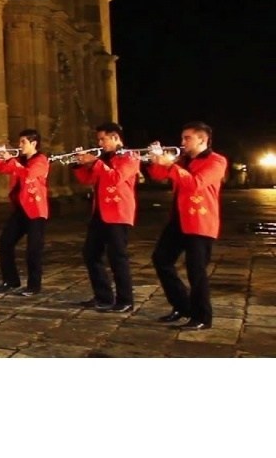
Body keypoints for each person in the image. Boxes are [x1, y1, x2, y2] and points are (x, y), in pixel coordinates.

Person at [148, 121, 228, 330]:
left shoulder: (217, 161)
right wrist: (156, 160)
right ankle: (182, 306)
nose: (182, 142)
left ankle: (202, 317)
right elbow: (157, 176)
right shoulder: (182, 159)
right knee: (161, 259)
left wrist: (170, 165)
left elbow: (195, 183)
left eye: (187, 138)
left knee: (196, 271)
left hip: (200, 222)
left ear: (202, 139)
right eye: (182, 138)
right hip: (178, 220)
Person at [71, 122, 139, 312]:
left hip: (118, 212)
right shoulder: (104, 158)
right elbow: (88, 180)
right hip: (99, 212)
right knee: (90, 254)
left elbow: (116, 178)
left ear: (115, 137)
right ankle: (103, 296)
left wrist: (95, 162)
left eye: (103, 139)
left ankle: (125, 300)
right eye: (98, 139)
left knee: (118, 257)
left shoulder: (129, 156)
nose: (100, 143)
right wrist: (80, 164)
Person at [0, 129, 49, 296]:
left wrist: (11, 160)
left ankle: (34, 286)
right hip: (20, 209)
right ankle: (11, 280)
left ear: (34, 143)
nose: (19, 145)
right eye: (20, 141)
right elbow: (0, 168)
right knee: (5, 242)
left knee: (33, 250)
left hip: (36, 211)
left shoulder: (41, 160)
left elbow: (29, 174)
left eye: (23, 142)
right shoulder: (20, 160)